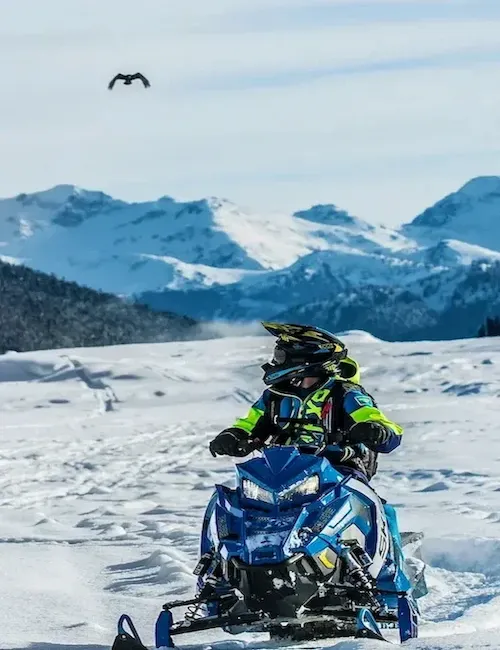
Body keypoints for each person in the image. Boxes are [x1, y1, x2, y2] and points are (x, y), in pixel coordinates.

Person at [209, 322, 403, 482]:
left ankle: (381, 526)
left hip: (339, 470)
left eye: (280, 356)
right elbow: (250, 423)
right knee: (239, 498)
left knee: (354, 498)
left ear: (307, 360)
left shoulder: (345, 393)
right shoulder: (276, 395)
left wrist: (377, 430)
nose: (275, 362)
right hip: (282, 469)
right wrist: (232, 436)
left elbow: (377, 420)